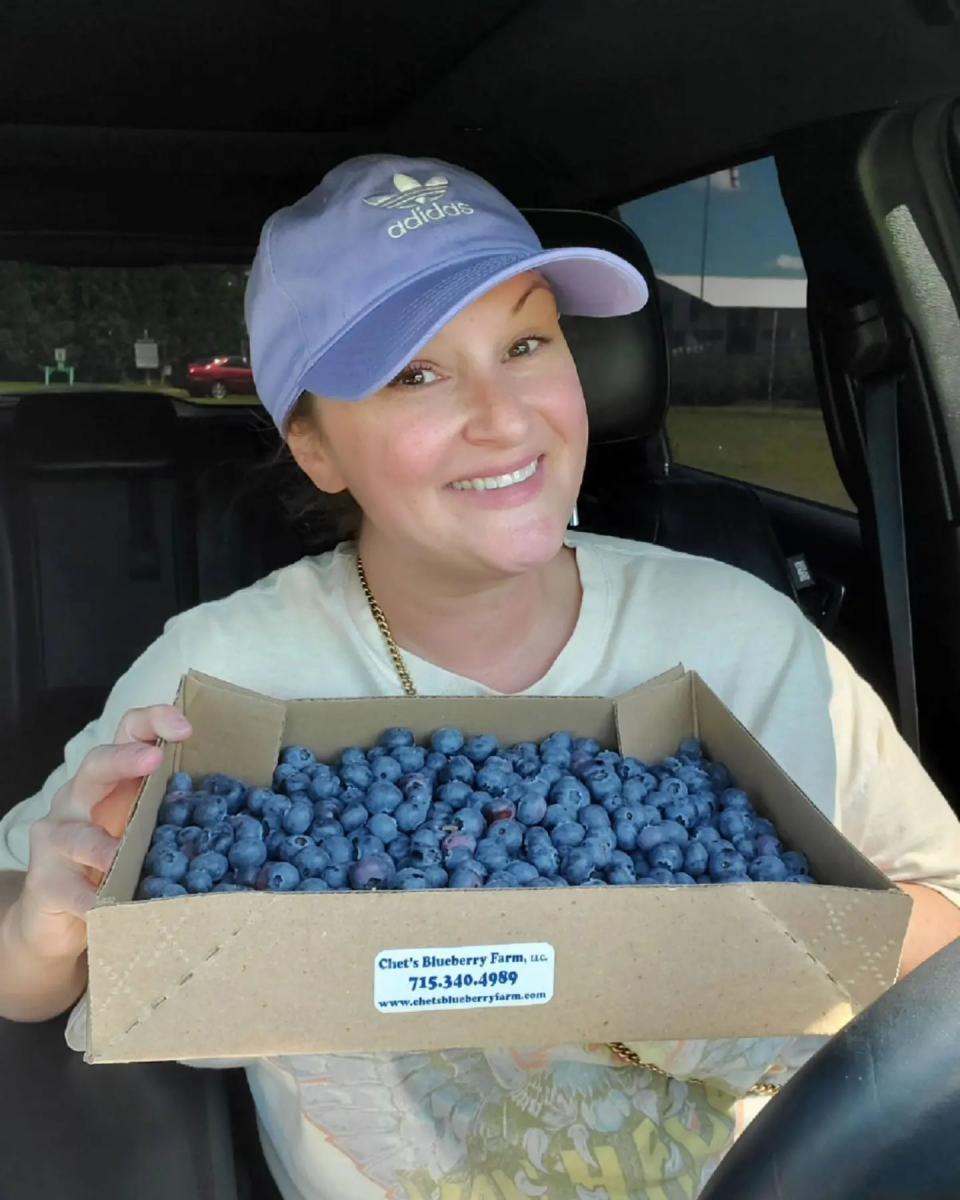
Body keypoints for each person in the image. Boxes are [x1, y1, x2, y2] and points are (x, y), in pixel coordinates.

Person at [2, 153, 960, 1200]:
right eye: (417, 373)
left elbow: (947, 909)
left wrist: (742, 934)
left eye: (527, 342)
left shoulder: (742, 638)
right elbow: (24, 955)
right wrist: (43, 932)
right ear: (315, 445)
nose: (504, 418)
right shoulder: (221, 678)